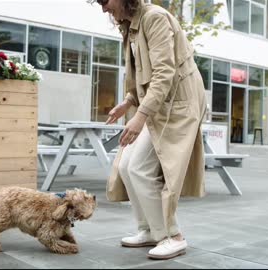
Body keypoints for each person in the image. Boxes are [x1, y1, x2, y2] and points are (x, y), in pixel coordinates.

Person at [92, 0, 207, 260]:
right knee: (125, 167)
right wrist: (128, 102)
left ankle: (172, 236)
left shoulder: (154, 18)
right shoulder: (131, 25)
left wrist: (140, 116)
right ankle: (149, 230)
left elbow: (164, 72)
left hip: (177, 103)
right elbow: (142, 73)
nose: (103, 9)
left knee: (139, 168)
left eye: (105, 1)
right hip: (159, 103)